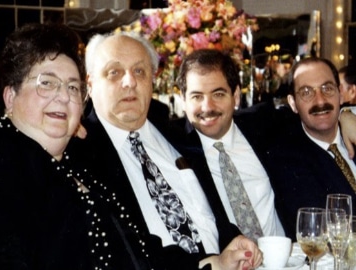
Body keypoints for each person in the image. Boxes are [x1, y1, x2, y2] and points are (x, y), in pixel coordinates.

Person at [80, 32, 262, 270]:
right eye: (114, 72)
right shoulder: (81, 155)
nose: (129, 82)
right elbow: (126, 250)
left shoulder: (178, 137)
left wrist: (234, 240)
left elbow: (210, 215)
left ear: (152, 82)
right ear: (90, 84)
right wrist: (212, 264)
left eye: (139, 71)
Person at [0, 23, 105, 269]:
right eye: (47, 83)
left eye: (73, 87)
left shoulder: (82, 165)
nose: (64, 96)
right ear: (10, 98)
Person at [173, 49, 285, 240]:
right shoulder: (173, 145)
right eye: (197, 96)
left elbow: (314, 115)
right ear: (183, 100)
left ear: (236, 96)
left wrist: (346, 115)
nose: (207, 107)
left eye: (218, 94)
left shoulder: (262, 126)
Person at [266, 57, 356, 241]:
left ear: (340, 93)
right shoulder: (287, 161)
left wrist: (347, 113)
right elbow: (322, 233)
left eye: (327, 88)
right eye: (306, 92)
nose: (320, 100)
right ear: (292, 103)